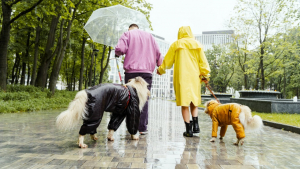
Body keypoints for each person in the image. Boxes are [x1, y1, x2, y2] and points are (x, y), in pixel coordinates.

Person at [157, 26, 210, 137]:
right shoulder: (197, 44)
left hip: (182, 77)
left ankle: (188, 130)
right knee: (194, 101)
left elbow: (167, 61)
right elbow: (203, 62)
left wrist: (160, 70)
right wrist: (205, 75)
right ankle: (196, 125)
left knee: (184, 103)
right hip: (195, 76)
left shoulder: (176, 44)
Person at [115, 24, 163, 135]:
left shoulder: (127, 34)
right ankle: (142, 128)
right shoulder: (150, 36)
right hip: (147, 73)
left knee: (130, 99)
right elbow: (158, 54)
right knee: (144, 98)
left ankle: (131, 127)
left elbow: (120, 49)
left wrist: (117, 52)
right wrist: (159, 65)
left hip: (132, 72)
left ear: (129, 28)